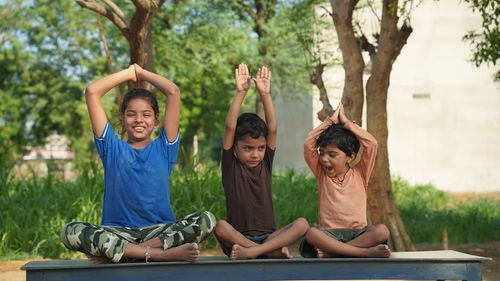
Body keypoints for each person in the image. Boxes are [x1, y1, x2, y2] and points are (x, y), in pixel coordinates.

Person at [60, 64, 216, 263]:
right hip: (118, 233)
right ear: (123, 119)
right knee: (70, 231)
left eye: (146, 114)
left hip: (159, 233)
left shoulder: (165, 147)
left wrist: (141, 73)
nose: (138, 120)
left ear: (156, 120)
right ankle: (158, 256)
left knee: (207, 220)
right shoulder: (111, 148)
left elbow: (173, 92)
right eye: (131, 114)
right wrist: (128, 73)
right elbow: (92, 92)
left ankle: (126, 254)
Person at [214, 63, 309, 260]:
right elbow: (230, 127)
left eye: (260, 148)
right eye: (248, 148)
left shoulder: (265, 162)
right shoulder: (231, 165)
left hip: (269, 237)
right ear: (235, 147)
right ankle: (266, 252)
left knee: (302, 224)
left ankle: (255, 252)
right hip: (238, 238)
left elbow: (272, 128)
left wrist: (265, 93)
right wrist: (241, 92)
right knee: (220, 226)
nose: (255, 154)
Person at [301, 103, 391, 258]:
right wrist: (329, 122)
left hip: (358, 234)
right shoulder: (322, 174)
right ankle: (362, 253)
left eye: (332, 154)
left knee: (382, 231)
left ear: (351, 157)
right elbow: (309, 144)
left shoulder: (361, 173)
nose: (324, 159)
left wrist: (348, 124)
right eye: (321, 153)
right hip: (329, 235)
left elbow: (371, 144)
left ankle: (334, 252)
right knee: (312, 233)